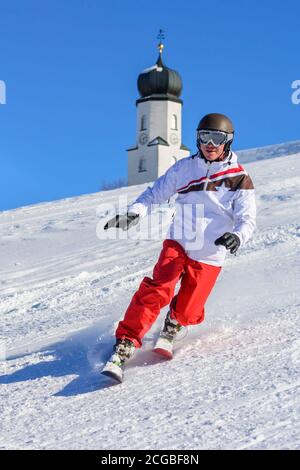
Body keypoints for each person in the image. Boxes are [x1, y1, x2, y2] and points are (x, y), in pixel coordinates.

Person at [102, 113, 256, 382]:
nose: (210, 143)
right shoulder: (184, 168)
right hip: (180, 242)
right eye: (204, 137)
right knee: (158, 288)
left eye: (217, 138)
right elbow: (155, 193)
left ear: (228, 142)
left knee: (190, 308)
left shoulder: (239, 178)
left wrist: (237, 237)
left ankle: (174, 323)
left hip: (211, 252)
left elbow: (247, 219)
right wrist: (134, 212)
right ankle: (126, 343)